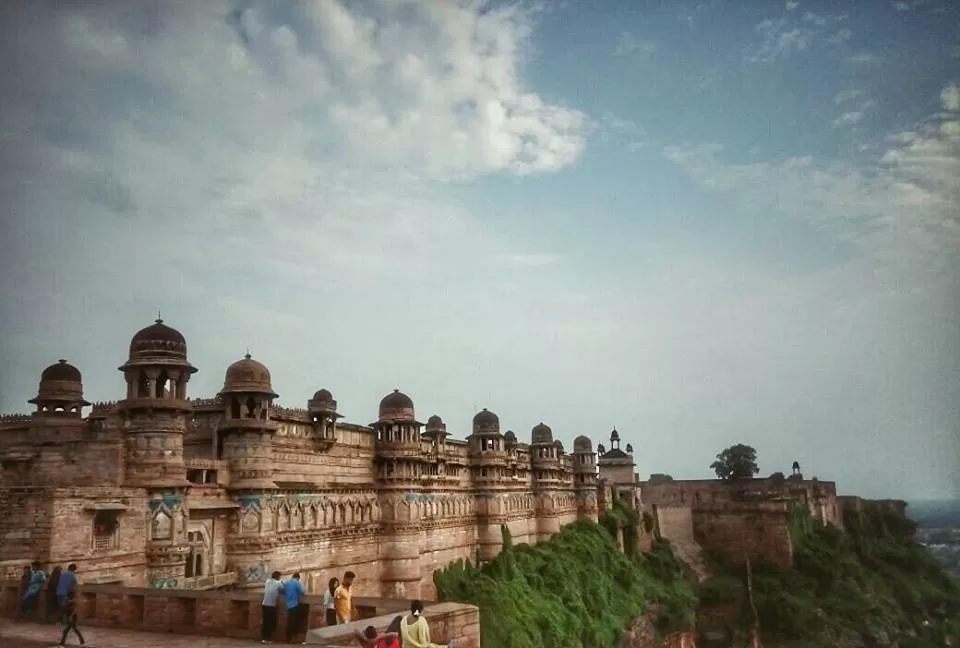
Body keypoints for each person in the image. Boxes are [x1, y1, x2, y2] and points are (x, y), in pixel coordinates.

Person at [283, 572, 307, 645]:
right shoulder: (297, 583)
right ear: (298, 578)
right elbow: (302, 592)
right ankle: (293, 639)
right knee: (294, 622)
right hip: (294, 605)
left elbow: (284, 592)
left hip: (288, 605)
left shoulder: (286, 583)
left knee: (289, 621)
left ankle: (288, 639)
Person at [260, 570, 283, 644]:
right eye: (280, 576)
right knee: (272, 622)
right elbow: (283, 589)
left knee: (265, 622)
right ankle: (268, 638)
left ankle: (264, 638)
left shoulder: (267, 581)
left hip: (264, 604)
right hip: (271, 605)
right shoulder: (278, 583)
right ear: (277, 577)